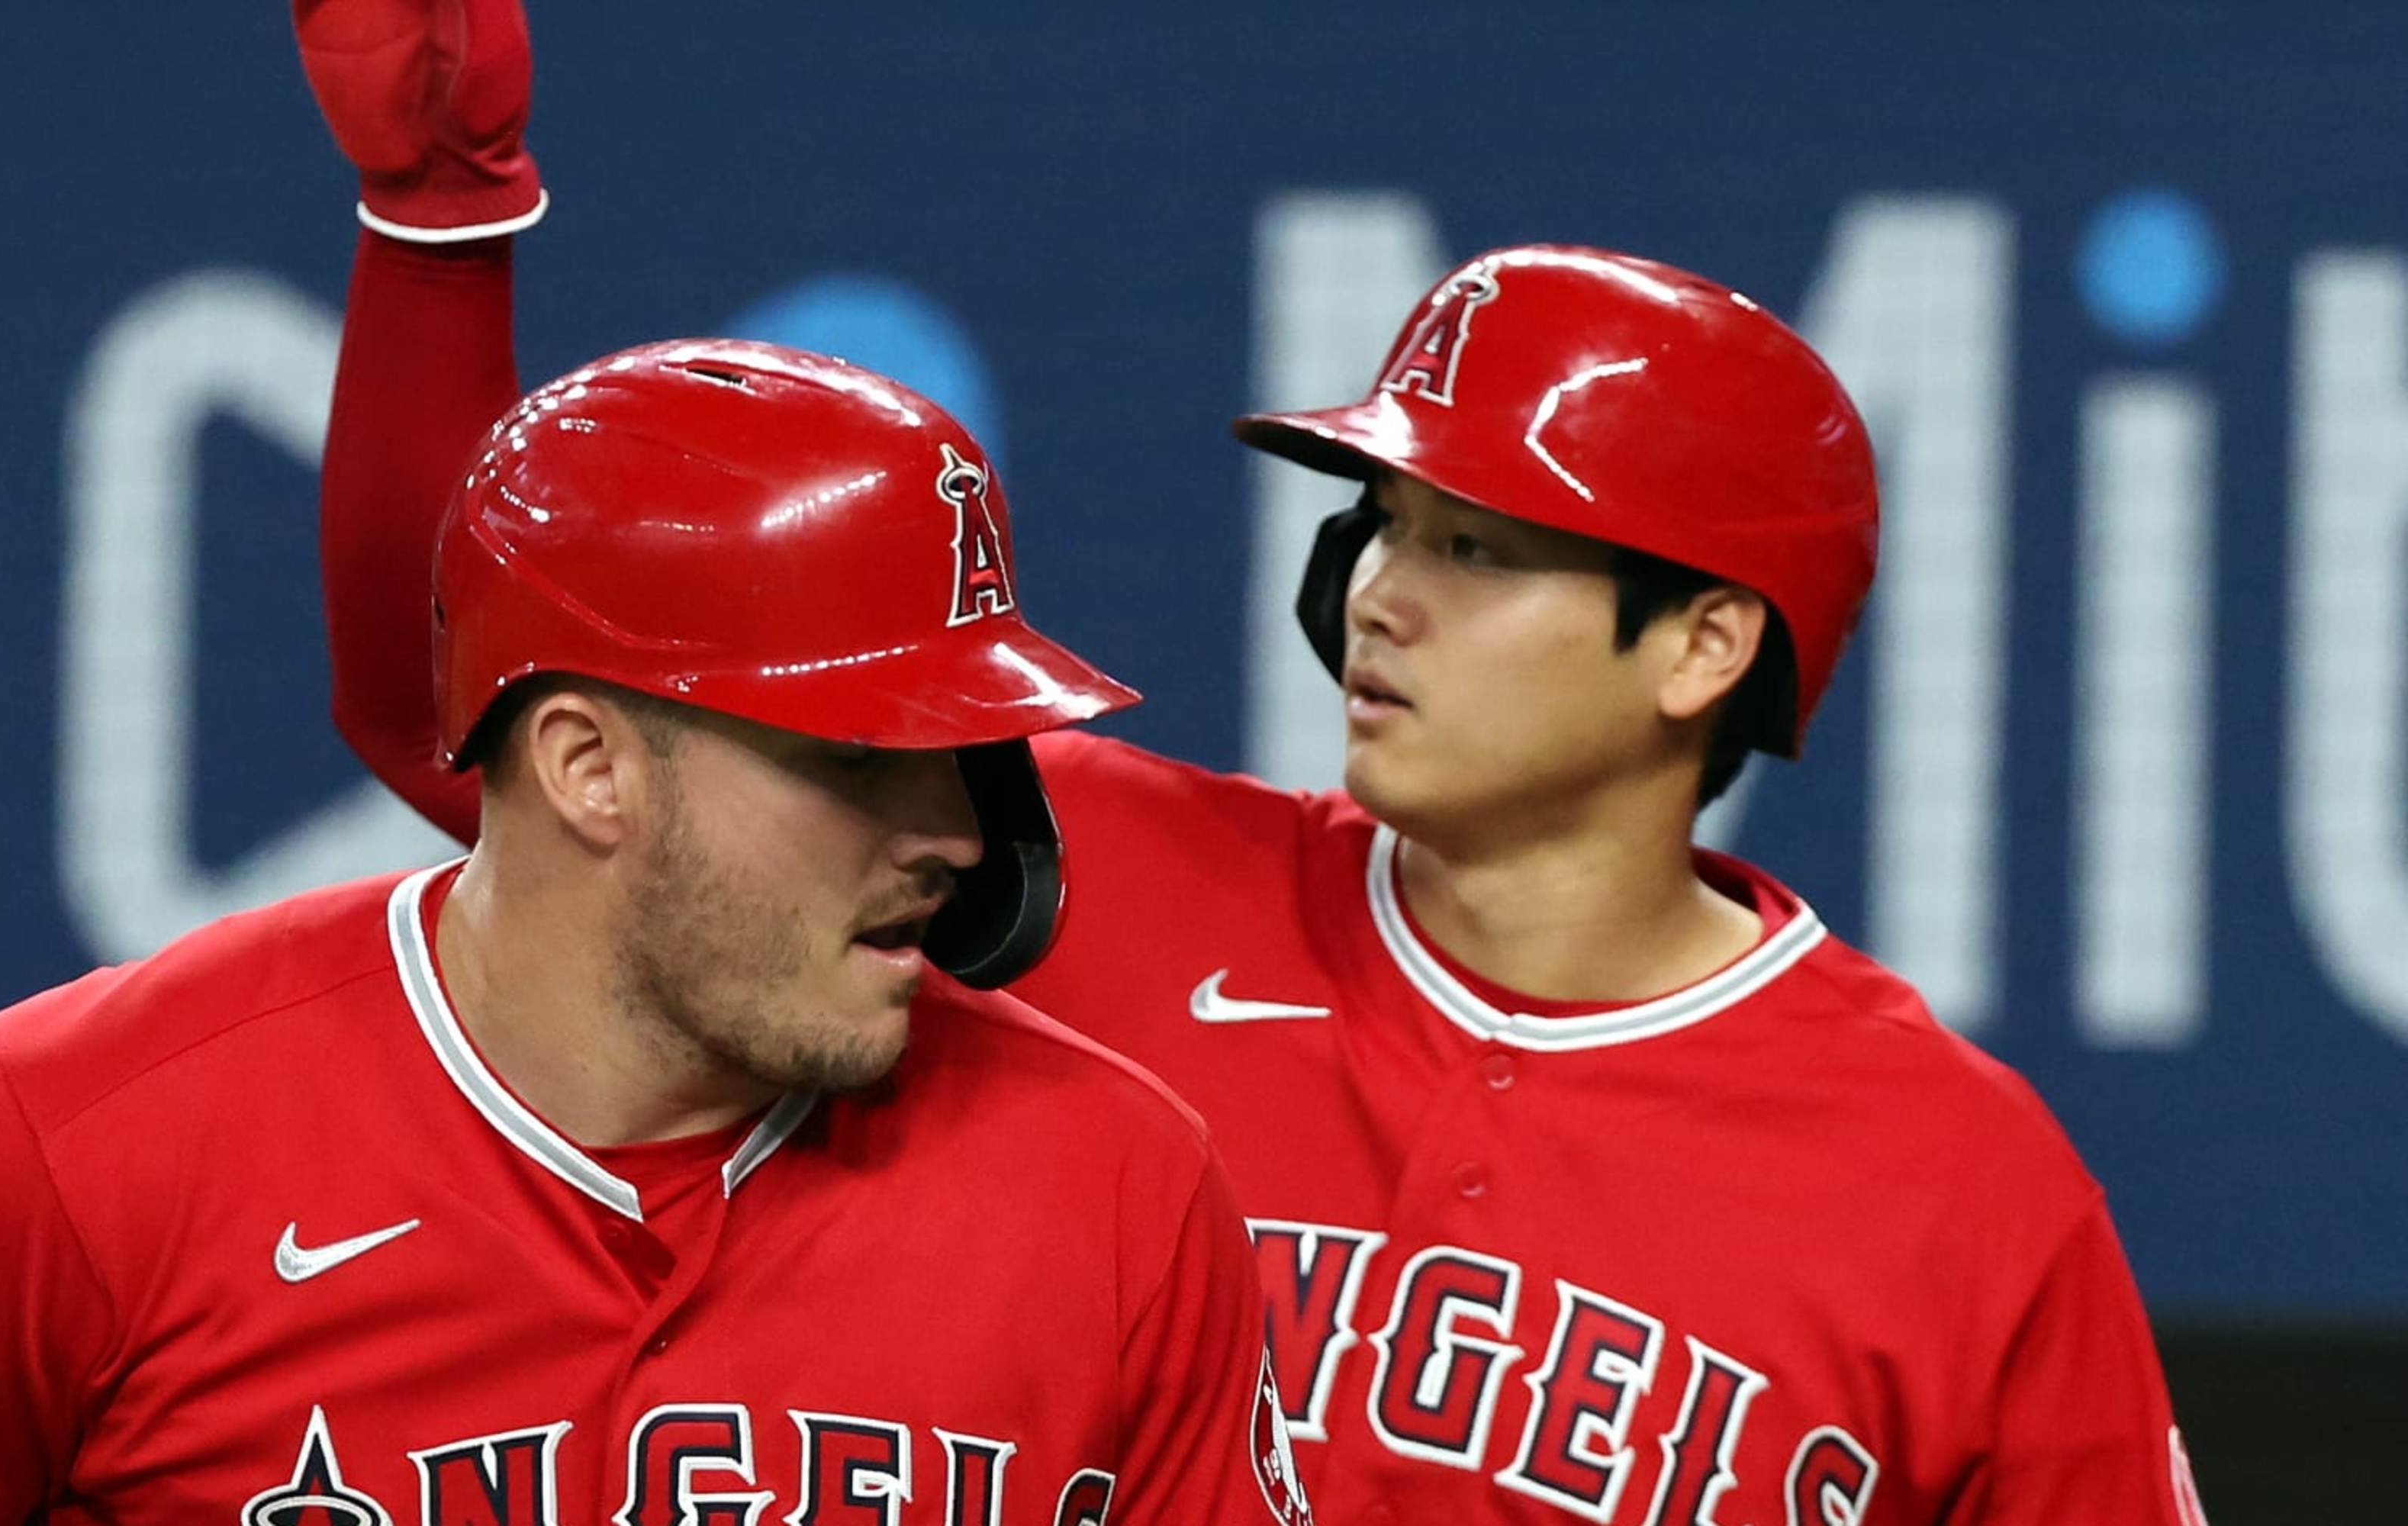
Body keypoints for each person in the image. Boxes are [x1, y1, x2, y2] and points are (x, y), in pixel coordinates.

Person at [307, 6, 2209, 1526]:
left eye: (1477, 548)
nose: (1380, 593)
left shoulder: (1954, 1187)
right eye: (1379, 525)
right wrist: (440, 231)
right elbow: (472, 720)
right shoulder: (1073, 885)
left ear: (1704, 646)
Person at [0, 53, 1315, 1524]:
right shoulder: (59, 1157)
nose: (952, 833)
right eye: (860, 761)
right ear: (587, 763)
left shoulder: (1119, 1197)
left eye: (966, 751)